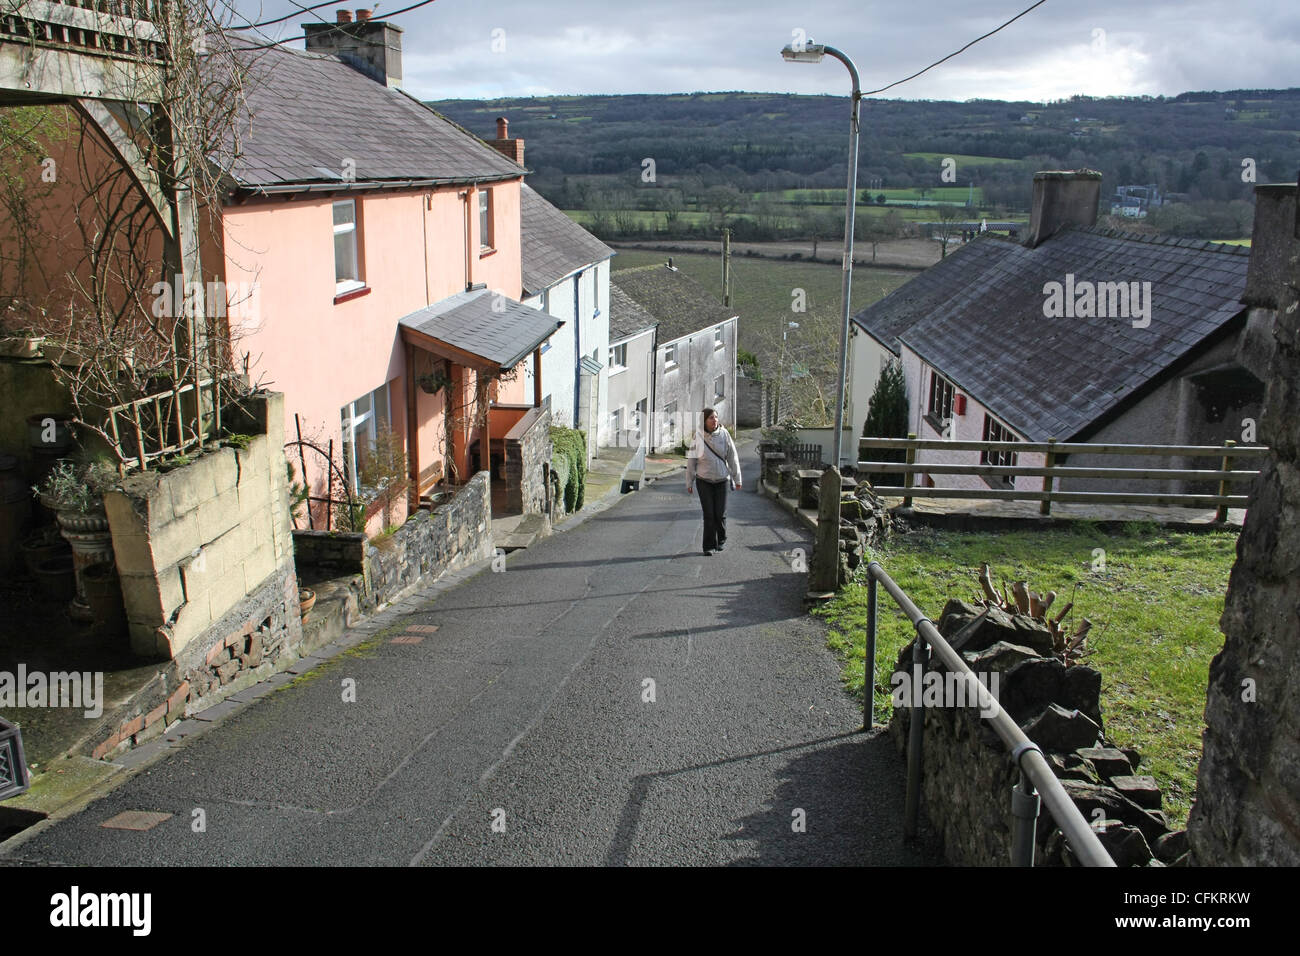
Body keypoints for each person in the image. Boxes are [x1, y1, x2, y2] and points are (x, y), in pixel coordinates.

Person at [685, 407, 742, 555]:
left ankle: (721, 539)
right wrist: (689, 482)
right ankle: (708, 546)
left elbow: (732, 457)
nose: (714, 420)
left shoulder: (724, 434)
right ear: (704, 420)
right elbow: (691, 461)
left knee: (720, 514)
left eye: (716, 417)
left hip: (722, 480)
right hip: (704, 481)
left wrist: (737, 479)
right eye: (711, 418)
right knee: (709, 515)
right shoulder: (698, 437)